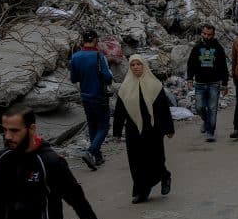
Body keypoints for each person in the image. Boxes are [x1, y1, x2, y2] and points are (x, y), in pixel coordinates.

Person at [113, 54, 174, 203]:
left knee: (156, 158)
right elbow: (120, 111)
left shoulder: (155, 85)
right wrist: (117, 132)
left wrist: (168, 128)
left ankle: (164, 176)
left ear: (144, 66)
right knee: (136, 161)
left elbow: (163, 109)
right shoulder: (125, 88)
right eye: (132, 65)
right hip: (133, 129)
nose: (136, 67)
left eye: (138, 64)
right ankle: (142, 191)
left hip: (153, 128)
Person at [69, 29, 112, 170]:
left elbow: (74, 78)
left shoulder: (75, 57)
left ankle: (97, 157)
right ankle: (91, 151)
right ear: (94, 40)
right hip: (99, 96)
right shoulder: (98, 56)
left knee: (93, 125)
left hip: (85, 96)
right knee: (104, 126)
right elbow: (108, 77)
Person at [186, 24, 229, 142]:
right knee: (199, 107)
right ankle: (206, 121)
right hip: (199, 83)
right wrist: (189, 78)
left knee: (212, 108)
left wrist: (225, 83)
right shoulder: (196, 48)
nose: (206, 36)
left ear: (213, 35)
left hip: (214, 83)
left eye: (209, 35)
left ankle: (210, 132)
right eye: (204, 34)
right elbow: (191, 64)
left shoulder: (218, 48)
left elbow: (223, 67)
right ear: (201, 33)